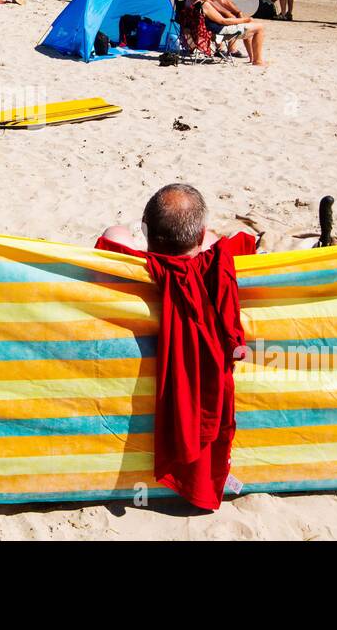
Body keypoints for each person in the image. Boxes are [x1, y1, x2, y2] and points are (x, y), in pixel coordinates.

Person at [95, 183, 256, 511]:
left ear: (146, 233)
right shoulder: (223, 268)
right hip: (181, 244)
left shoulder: (122, 269)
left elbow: (113, 236)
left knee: (115, 229)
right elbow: (232, 243)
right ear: (199, 238)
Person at [182, 0, 267, 66]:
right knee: (258, 27)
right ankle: (257, 61)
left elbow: (222, 2)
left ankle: (251, 58)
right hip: (217, 29)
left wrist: (237, 13)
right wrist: (245, 19)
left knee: (244, 21)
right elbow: (223, 20)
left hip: (204, 27)